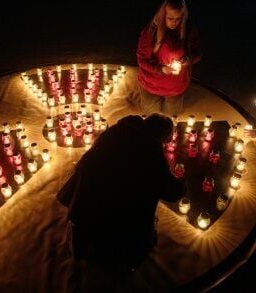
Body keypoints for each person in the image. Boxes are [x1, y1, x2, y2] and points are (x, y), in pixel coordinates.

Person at [57, 114, 185, 272]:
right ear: (162, 138)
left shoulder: (115, 132)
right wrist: (182, 184)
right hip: (119, 222)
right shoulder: (151, 153)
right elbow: (171, 192)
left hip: (85, 208)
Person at [137, 0, 202, 116]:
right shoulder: (151, 31)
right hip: (151, 84)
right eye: (170, 18)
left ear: (183, 17)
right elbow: (142, 60)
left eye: (178, 19)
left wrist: (188, 59)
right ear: (163, 15)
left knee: (171, 121)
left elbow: (198, 53)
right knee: (151, 119)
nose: (174, 22)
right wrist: (160, 69)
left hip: (175, 88)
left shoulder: (188, 30)